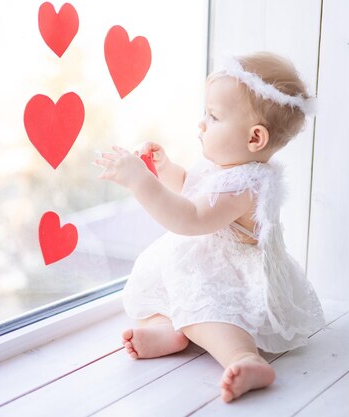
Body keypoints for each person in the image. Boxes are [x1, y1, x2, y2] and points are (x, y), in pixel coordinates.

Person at [94, 51, 326, 403]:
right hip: (199, 261)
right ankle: (167, 329)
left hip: (229, 275)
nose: (202, 124)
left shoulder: (246, 183)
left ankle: (242, 357)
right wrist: (166, 168)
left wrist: (141, 182)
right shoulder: (225, 166)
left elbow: (191, 218)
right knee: (166, 288)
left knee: (212, 310)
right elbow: (192, 187)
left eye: (214, 117)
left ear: (254, 139)